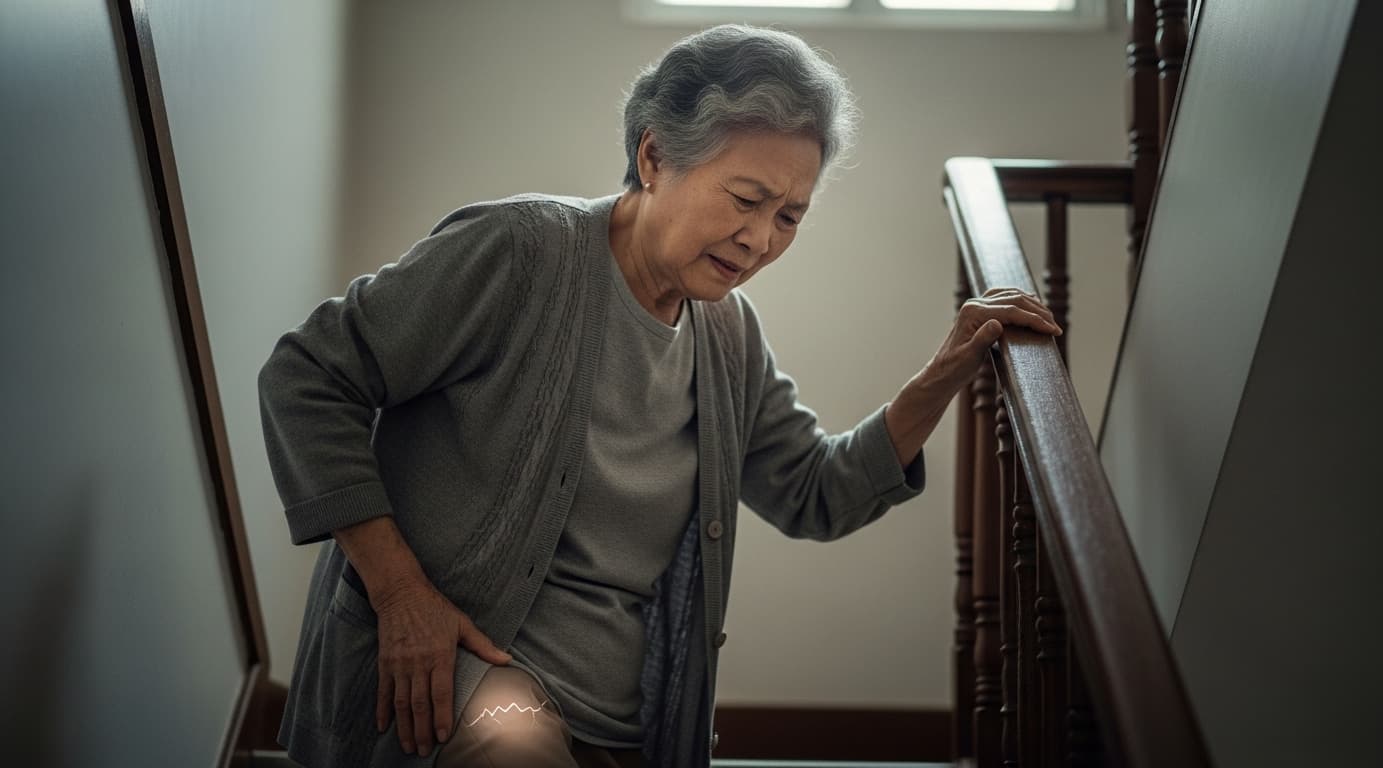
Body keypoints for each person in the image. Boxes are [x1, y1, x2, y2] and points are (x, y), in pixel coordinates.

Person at [257, 23, 1059, 768]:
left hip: (633, 722)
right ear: (652, 157)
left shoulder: (728, 337)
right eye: (745, 200)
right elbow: (307, 374)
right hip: (472, 688)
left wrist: (947, 369)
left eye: (789, 216)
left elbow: (815, 492)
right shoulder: (520, 253)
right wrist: (399, 592)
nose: (760, 239)